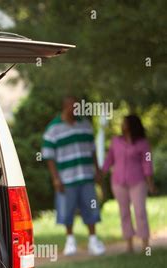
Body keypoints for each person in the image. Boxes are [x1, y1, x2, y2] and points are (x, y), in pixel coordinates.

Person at [42, 96, 106, 256]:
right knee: (66, 210)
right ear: (65, 106)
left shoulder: (85, 125)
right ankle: (70, 241)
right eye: (73, 106)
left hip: (86, 176)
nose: (76, 108)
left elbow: (92, 150)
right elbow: (49, 156)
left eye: (78, 106)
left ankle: (93, 240)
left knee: (91, 207)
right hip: (66, 178)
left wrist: (97, 170)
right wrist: (56, 178)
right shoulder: (53, 129)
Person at [102, 114, 155, 252]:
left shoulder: (143, 143)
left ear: (132, 125)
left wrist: (149, 181)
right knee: (124, 212)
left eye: (125, 123)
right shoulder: (116, 141)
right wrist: (101, 173)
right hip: (118, 182)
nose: (122, 125)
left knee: (140, 211)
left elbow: (147, 161)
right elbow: (109, 159)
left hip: (138, 181)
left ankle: (145, 243)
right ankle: (129, 244)